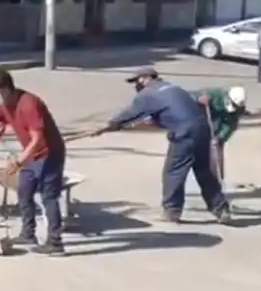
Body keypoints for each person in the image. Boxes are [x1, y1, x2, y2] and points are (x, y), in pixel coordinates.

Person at [90, 67, 232, 224]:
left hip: (184, 133)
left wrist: (109, 125)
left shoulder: (149, 93)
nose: (137, 85)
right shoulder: (173, 87)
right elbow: (173, 111)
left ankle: (172, 212)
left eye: (138, 81)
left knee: (173, 172)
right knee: (205, 172)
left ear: (145, 78)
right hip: (202, 129)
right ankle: (221, 209)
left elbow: (131, 113)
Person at [0, 69, 67, 256]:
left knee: (49, 197)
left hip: (49, 153)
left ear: (6, 89)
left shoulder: (28, 104)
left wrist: (18, 161)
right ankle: (28, 233)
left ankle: (55, 243)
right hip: (31, 155)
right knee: (24, 191)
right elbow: (0, 126)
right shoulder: (2, 104)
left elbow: (38, 139)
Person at [195, 86, 247, 180]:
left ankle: (217, 182)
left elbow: (231, 126)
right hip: (201, 125)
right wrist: (198, 100)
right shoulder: (214, 95)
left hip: (217, 132)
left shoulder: (239, 110)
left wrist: (220, 137)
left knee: (217, 156)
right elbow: (189, 99)